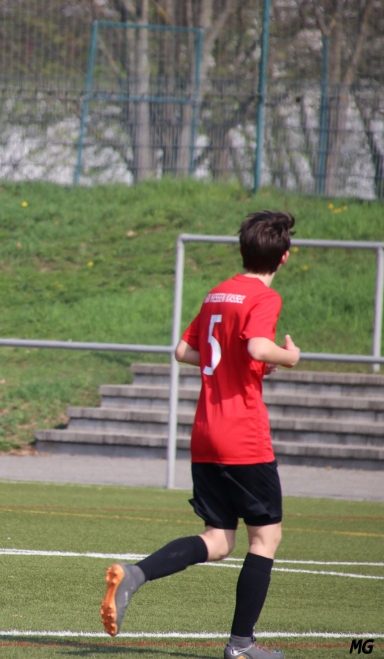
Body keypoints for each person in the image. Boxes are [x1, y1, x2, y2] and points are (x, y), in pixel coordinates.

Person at [99, 211, 300, 659]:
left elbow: (183, 350)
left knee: (219, 540)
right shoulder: (264, 296)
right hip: (243, 436)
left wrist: (245, 362)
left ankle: (135, 574)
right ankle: (241, 645)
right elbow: (256, 345)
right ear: (283, 257)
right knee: (265, 539)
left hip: (205, 433)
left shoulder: (218, 292)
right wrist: (289, 356)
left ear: (242, 250)